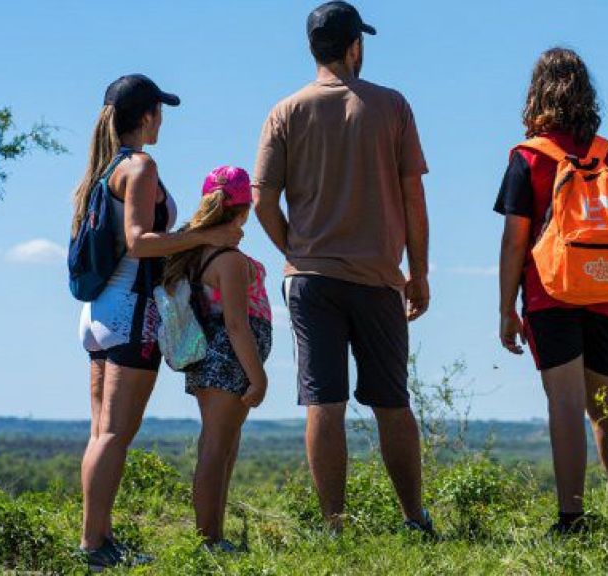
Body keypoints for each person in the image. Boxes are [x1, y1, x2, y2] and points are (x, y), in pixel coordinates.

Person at [252, 1, 433, 534]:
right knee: (392, 402)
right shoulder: (392, 106)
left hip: (310, 280)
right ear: (356, 46)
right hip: (378, 278)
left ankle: (336, 524)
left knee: (322, 401)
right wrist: (417, 272)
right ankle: (413, 518)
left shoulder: (285, 111)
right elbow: (413, 197)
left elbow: (263, 199)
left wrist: (295, 249)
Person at [72, 75, 242, 569]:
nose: (162, 119)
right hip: (131, 312)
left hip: (99, 313)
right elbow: (141, 242)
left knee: (101, 432)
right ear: (145, 116)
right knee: (114, 434)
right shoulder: (141, 166)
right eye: (159, 111)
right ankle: (93, 545)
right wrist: (201, 237)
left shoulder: (103, 170)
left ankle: (98, 535)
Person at [494, 48, 608, 534]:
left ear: (538, 92)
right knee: (607, 408)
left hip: (550, 294)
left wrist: (505, 309)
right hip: (605, 293)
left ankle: (572, 518)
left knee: (564, 404)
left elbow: (515, 240)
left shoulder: (528, 157)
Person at [161, 166, 271, 552]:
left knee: (222, 447)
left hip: (211, 359)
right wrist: (258, 377)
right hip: (228, 359)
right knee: (216, 449)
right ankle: (209, 540)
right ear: (245, 210)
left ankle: (215, 535)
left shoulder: (196, 254)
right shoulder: (227, 260)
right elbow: (237, 325)